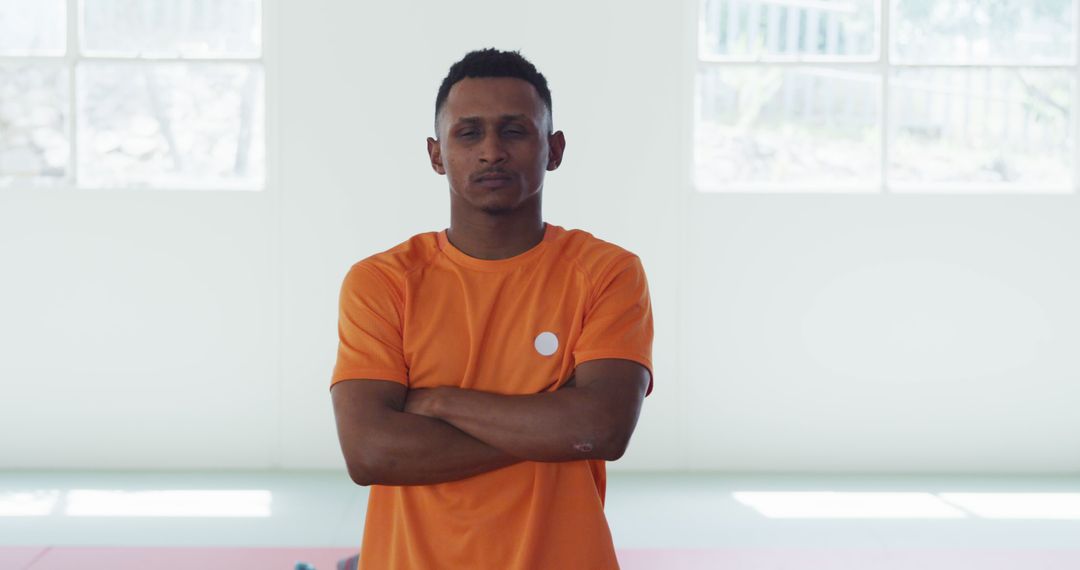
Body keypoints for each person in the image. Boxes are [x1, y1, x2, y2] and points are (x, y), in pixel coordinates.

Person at [329, 47, 654, 570]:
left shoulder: (607, 272)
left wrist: (435, 403)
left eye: (514, 131)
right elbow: (370, 452)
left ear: (554, 148)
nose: (491, 151)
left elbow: (606, 428)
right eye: (469, 133)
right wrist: (555, 421)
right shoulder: (383, 281)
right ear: (436, 154)